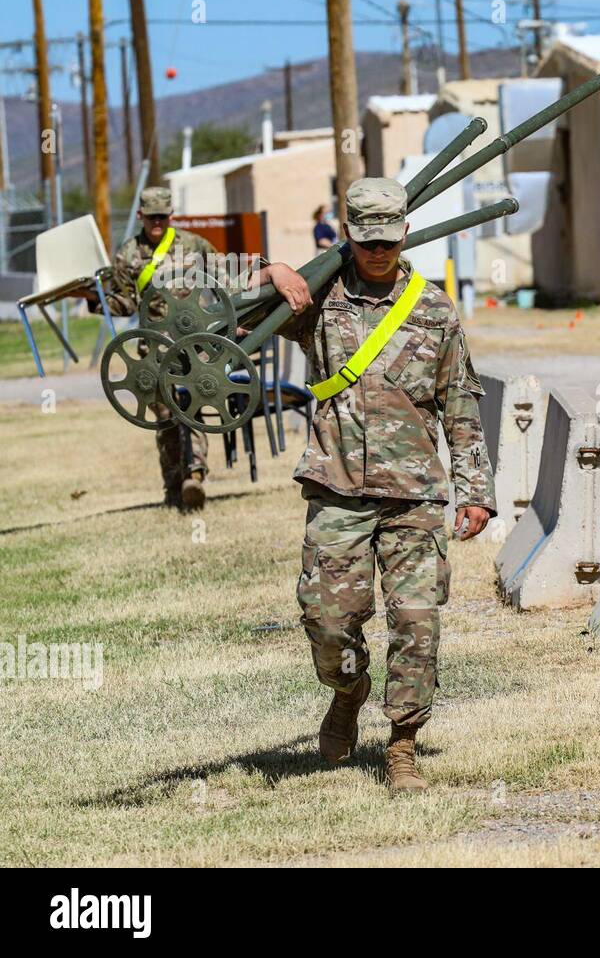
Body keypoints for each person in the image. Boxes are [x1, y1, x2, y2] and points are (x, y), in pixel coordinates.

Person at [257, 177, 496, 794]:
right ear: (348, 236)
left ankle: (403, 746)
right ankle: (348, 690)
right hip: (337, 490)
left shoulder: (434, 309)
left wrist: (475, 491)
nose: (378, 252)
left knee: (417, 622)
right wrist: (269, 271)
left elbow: (462, 405)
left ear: (406, 234)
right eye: (366, 242)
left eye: (389, 240)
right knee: (327, 621)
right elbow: (235, 320)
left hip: (414, 494)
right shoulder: (319, 300)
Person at [86, 186, 219, 511]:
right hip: (155, 350)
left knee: (193, 410)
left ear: (171, 215)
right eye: (151, 217)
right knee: (165, 420)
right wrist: (93, 298)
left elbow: (224, 280)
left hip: (194, 344)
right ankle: (174, 489)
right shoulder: (128, 254)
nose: (157, 222)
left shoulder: (194, 245)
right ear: (140, 215)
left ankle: (195, 477)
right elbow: (125, 303)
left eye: (163, 216)